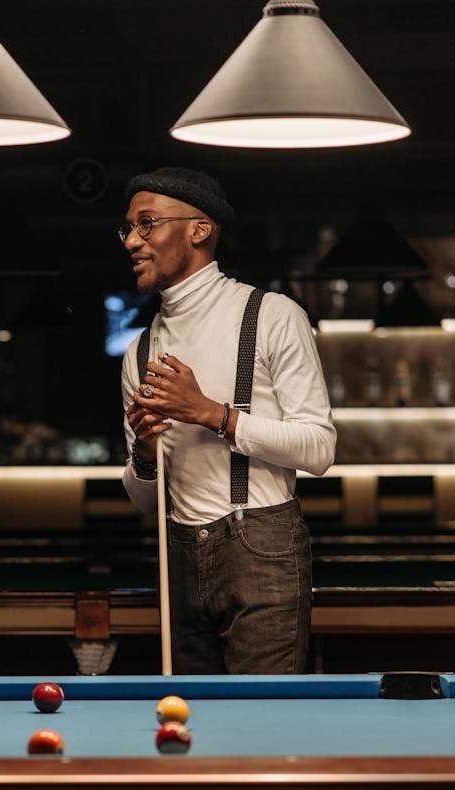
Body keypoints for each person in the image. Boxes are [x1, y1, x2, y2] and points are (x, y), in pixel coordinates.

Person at [119, 167, 336, 674]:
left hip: (261, 547)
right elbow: (147, 502)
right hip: (177, 554)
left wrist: (212, 414)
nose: (132, 240)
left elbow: (319, 448)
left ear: (199, 228)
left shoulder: (273, 315)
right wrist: (145, 457)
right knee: (189, 724)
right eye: (127, 228)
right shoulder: (139, 350)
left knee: (265, 725)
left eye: (146, 224)